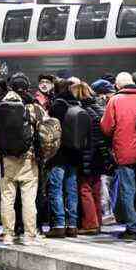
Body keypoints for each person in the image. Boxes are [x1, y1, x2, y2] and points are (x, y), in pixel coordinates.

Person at [0, 73, 47, 245]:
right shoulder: (34, 108)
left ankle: (8, 235)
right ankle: (29, 235)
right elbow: (45, 134)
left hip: (6, 160)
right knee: (28, 199)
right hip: (29, 159)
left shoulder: (0, 107)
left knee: (7, 199)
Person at [100, 71, 136, 240]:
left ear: (118, 86)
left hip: (124, 151)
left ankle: (132, 228)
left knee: (128, 190)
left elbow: (106, 127)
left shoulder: (115, 100)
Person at [47, 79, 83, 238]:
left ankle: (59, 225)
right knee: (72, 190)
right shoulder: (77, 104)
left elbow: (53, 130)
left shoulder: (57, 105)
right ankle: (73, 225)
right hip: (75, 154)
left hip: (59, 154)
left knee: (56, 189)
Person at [73, 82, 110, 235]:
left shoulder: (81, 112)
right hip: (99, 155)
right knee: (96, 188)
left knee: (84, 189)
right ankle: (97, 221)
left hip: (87, 155)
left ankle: (90, 223)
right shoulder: (100, 108)